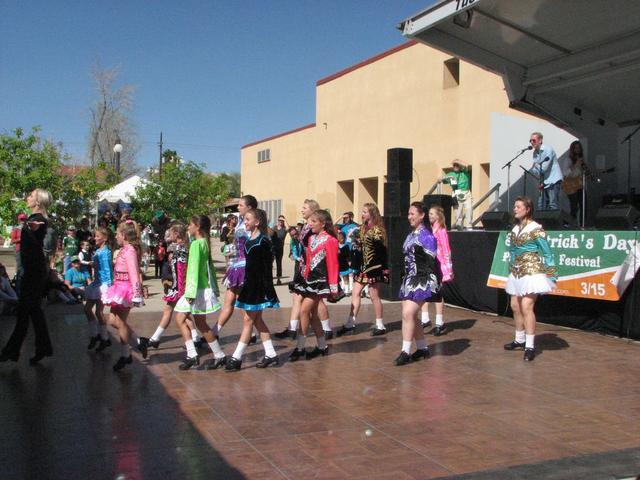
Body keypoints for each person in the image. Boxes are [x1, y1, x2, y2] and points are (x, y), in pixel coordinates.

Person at [1, 189, 55, 365]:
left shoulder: (37, 219)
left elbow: (39, 226)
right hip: (32, 269)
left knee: (25, 310)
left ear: (38, 201)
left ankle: (11, 351)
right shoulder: (34, 219)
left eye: (31, 196)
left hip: (33, 271)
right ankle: (42, 348)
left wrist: (32, 226)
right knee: (33, 310)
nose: (28, 198)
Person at [225, 209, 280, 371]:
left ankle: (236, 357)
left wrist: (268, 290)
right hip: (249, 285)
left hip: (259, 287)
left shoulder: (264, 241)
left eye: (248, 219)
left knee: (248, 320)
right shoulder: (248, 240)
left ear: (257, 222)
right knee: (256, 321)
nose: (245, 222)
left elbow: (267, 268)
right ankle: (271, 353)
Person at [504, 196, 557, 362]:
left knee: (527, 306)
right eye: (515, 206)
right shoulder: (515, 229)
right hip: (517, 271)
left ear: (527, 209)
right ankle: (519, 339)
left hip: (532, 271)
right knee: (515, 305)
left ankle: (530, 345)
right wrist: (511, 268)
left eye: (519, 206)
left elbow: (546, 251)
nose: (515, 209)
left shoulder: (536, 228)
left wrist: (552, 272)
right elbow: (512, 251)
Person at [289, 209, 340, 361]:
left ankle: (300, 347)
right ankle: (322, 346)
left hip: (321, 282)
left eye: (314, 221)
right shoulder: (312, 239)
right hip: (309, 280)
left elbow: (333, 264)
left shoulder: (331, 240)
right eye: (310, 221)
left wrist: (333, 287)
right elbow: (309, 261)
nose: (310, 224)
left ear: (323, 224)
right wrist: (303, 276)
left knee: (304, 310)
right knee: (312, 316)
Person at [174, 215, 224, 371]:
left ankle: (192, 354)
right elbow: (209, 269)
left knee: (180, 319)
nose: (188, 227)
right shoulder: (204, 243)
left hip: (195, 290)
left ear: (197, 227)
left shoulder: (196, 244)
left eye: (190, 224)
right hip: (202, 288)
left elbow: (194, 270)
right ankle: (218, 355)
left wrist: (189, 293)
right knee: (200, 324)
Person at [396, 202, 442, 366]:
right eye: (408, 214)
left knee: (408, 313)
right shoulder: (410, 235)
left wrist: (434, 283)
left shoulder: (427, 237)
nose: (409, 217)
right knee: (409, 315)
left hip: (423, 280)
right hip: (409, 279)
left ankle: (405, 351)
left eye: (412, 214)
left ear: (422, 215)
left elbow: (432, 262)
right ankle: (422, 348)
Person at [147, 223, 204, 351]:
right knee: (182, 313)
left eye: (171, 233)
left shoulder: (181, 249)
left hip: (180, 287)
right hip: (178, 286)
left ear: (177, 234)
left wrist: (180, 288)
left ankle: (155, 339)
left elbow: (183, 270)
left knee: (177, 313)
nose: (168, 236)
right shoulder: (180, 248)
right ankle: (195, 338)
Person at [102, 220, 149, 371]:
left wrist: (136, 293)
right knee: (113, 320)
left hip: (126, 290)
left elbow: (134, 273)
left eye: (117, 234)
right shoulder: (124, 249)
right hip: (118, 287)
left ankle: (125, 354)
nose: (115, 236)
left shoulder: (130, 251)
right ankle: (138, 341)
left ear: (123, 235)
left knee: (120, 322)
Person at [338, 203, 389, 337]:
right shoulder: (361, 229)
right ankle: (350, 322)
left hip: (373, 267)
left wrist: (383, 269)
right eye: (362, 211)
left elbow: (382, 251)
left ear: (372, 214)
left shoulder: (377, 230)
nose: (362, 214)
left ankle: (380, 324)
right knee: (355, 292)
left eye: (365, 212)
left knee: (374, 296)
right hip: (361, 267)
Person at [213, 195, 257, 340]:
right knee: (229, 300)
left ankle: (252, 334)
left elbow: (253, 245)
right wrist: (230, 255)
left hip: (244, 267)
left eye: (240, 205)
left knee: (241, 302)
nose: (237, 207)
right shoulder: (240, 222)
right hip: (235, 265)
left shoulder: (252, 225)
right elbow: (238, 244)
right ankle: (215, 331)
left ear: (249, 207)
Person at [421, 205, 453, 335]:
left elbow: (446, 249)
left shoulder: (441, 231)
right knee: (424, 290)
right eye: (429, 214)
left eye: (433, 214)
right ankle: (425, 318)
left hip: (438, 264)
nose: (430, 216)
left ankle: (440, 322)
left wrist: (448, 268)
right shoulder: (431, 229)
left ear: (439, 216)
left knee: (437, 293)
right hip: (429, 264)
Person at [84, 227, 113, 351]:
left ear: (105, 238)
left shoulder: (105, 252)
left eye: (97, 236)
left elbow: (108, 269)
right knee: (87, 309)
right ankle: (95, 335)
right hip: (96, 282)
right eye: (95, 236)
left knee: (99, 312)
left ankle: (104, 338)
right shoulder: (99, 250)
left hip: (102, 284)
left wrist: (108, 286)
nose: (95, 238)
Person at [529, 132, 563, 211]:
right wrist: (537, 167)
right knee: (541, 205)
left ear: (540, 140)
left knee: (552, 204)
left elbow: (543, 168)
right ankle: (542, 223)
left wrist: (536, 166)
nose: (531, 142)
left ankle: (553, 223)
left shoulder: (548, 149)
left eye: (533, 140)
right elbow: (535, 170)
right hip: (544, 181)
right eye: (530, 140)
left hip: (553, 180)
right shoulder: (535, 153)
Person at [440, 159, 473, 229]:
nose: (455, 166)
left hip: (466, 193)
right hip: (456, 193)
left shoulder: (464, 172)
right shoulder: (451, 174)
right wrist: (443, 179)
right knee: (458, 214)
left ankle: (469, 227)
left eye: (457, 165)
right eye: (454, 165)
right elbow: (441, 179)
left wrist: (458, 161)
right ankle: (459, 228)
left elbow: (466, 165)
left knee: (469, 210)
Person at [562, 140, 587, 224]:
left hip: (579, 185)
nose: (578, 150)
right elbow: (566, 173)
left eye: (579, 148)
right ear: (572, 149)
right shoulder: (568, 160)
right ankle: (569, 224)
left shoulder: (581, 160)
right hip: (571, 186)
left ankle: (582, 224)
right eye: (576, 148)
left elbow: (582, 173)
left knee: (584, 205)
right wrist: (576, 164)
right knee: (574, 207)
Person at [272, 215, 288, 285]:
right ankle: (269, 278)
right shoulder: (274, 228)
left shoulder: (284, 229)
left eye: (281, 221)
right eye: (279, 220)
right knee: (270, 263)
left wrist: (285, 220)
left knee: (279, 263)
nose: (280, 222)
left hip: (280, 248)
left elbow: (288, 228)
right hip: (272, 248)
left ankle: (278, 279)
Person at [337, 231, 352, 295]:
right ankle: (342, 289)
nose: (341, 240)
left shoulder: (346, 246)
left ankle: (347, 290)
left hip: (344, 264)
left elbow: (348, 255)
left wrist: (349, 262)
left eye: (342, 238)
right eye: (339, 238)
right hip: (338, 263)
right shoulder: (336, 245)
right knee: (340, 277)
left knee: (345, 277)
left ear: (344, 238)